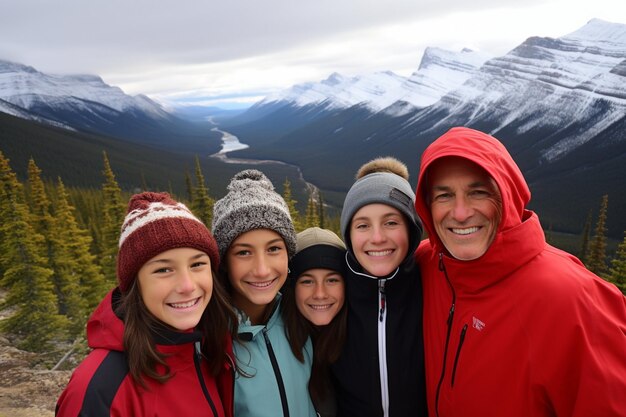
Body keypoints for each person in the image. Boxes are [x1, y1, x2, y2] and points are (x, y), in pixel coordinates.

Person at [414, 126, 626, 417]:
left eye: (478, 192)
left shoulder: (573, 298)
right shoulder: (427, 264)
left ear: (508, 196)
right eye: (444, 196)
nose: (460, 213)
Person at [56, 192, 236, 417]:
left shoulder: (208, 347)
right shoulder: (100, 388)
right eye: (163, 269)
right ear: (135, 285)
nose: (187, 286)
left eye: (197, 264)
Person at [211, 169, 317, 417]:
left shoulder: (303, 317)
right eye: (244, 252)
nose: (261, 270)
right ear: (224, 261)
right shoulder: (209, 338)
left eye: (273, 249)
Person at [332, 157, 428, 417]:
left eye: (391, 222)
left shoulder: (434, 284)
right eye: (362, 225)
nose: (377, 238)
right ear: (349, 235)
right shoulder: (329, 294)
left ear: (411, 229)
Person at [282, 227, 348, 417]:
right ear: (292, 287)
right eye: (307, 281)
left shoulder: (363, 339)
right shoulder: (275, 344)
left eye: (332, 280)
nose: (320, 294)